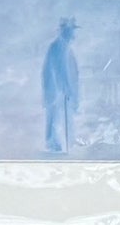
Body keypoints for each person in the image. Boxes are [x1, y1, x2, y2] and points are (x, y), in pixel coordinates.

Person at [41, 18, 80, 154]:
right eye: (70, 31)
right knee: (55, 115)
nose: (73, 34)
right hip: (55, 90)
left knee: (57, 115)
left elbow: (70, 69)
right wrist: (66, 88)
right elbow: (60, 70)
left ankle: (58, 142)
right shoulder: (58, 47)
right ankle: (53, 143)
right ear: (64, 31)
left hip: (58, 89)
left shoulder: (65, 46)